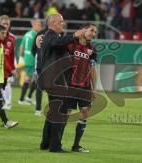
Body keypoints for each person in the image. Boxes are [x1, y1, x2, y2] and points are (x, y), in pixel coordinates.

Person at [39, 13, 86, 153]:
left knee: (54, 112)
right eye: (61, 22)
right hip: (56, 81)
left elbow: (61, 44)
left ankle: (45, 143)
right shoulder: (51, 37)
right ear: (52, 23)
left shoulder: (52, 37)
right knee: (60, 113)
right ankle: (55, 146)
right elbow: (57, 42)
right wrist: (74, 35)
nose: (63, 24)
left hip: (53, 80)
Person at [66, 23, 97, 153]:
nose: (93, 33)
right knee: (65, 114)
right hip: (70, 86)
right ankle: (55, 142)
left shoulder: (93, 50)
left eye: (95, 32)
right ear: (83, 30)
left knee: (84, 112)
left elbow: (93, 69)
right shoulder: (71, 45)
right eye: (91, 30)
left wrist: (94, 89)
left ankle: (76, 145)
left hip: (85, 87)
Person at [0, 24, 18, 128]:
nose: (5, 35)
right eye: (2, 33)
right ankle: (6, 122)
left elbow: (4, 61)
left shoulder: (0, 45)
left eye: (5, 33)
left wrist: (11, 69)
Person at [18, 19, 42, 105]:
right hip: (32, 58)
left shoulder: (27, 34)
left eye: (40, 25)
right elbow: (37, 49)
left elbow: (21, 46)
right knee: (32, 78)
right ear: (34, 25)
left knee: (34, 78)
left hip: (27, 57)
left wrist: (21, 57)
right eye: (38, 25)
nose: (40, 27)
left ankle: (27, 97)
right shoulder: (34, 36)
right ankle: (22, 99)